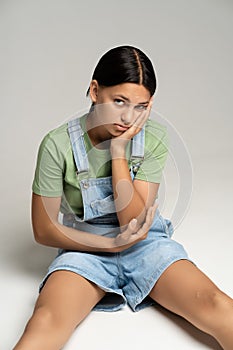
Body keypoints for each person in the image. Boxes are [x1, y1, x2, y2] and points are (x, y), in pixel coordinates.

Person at [14, 45, 233, 350]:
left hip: (145, 242)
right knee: (46, 320)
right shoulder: (57, 144)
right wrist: (109, 244)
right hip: (84, 248)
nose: (129, 117)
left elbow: (132, 220)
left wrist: (118, 152)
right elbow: (44, 229)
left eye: (140, 106)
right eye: (119, 101)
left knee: (218, 305)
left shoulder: (153, 137)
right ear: (94, 91)